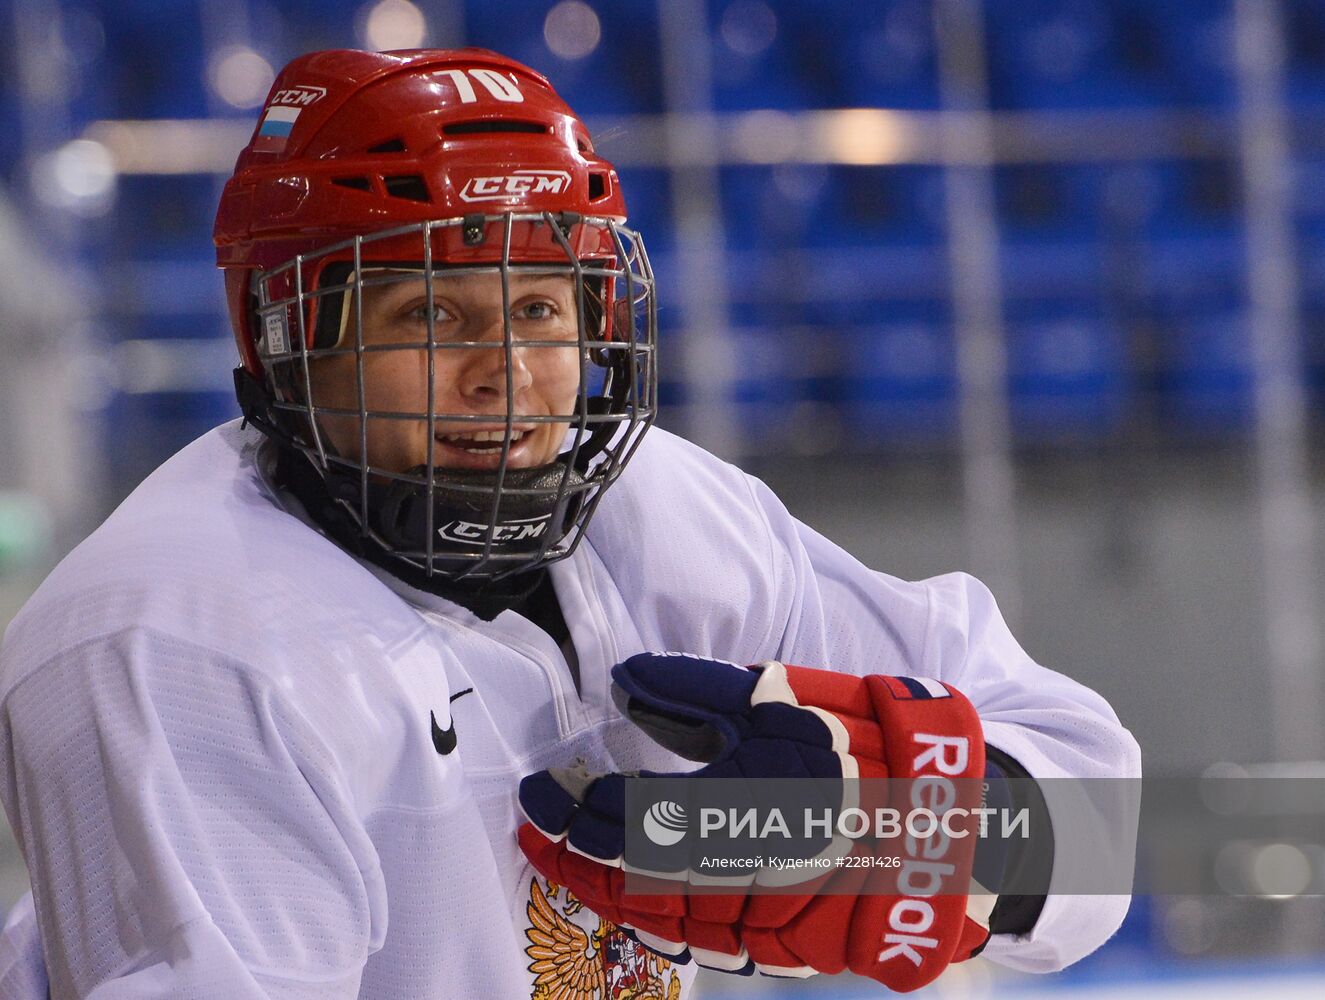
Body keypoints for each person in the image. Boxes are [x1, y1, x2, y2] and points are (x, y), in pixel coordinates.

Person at [0, 47, 1140, 999]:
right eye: (428, 313)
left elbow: (1095, 832)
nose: (504, 375)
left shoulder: (666, 517)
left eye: (539, 308)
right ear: (290, 338)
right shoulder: (179, 645)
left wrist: (889, 837)